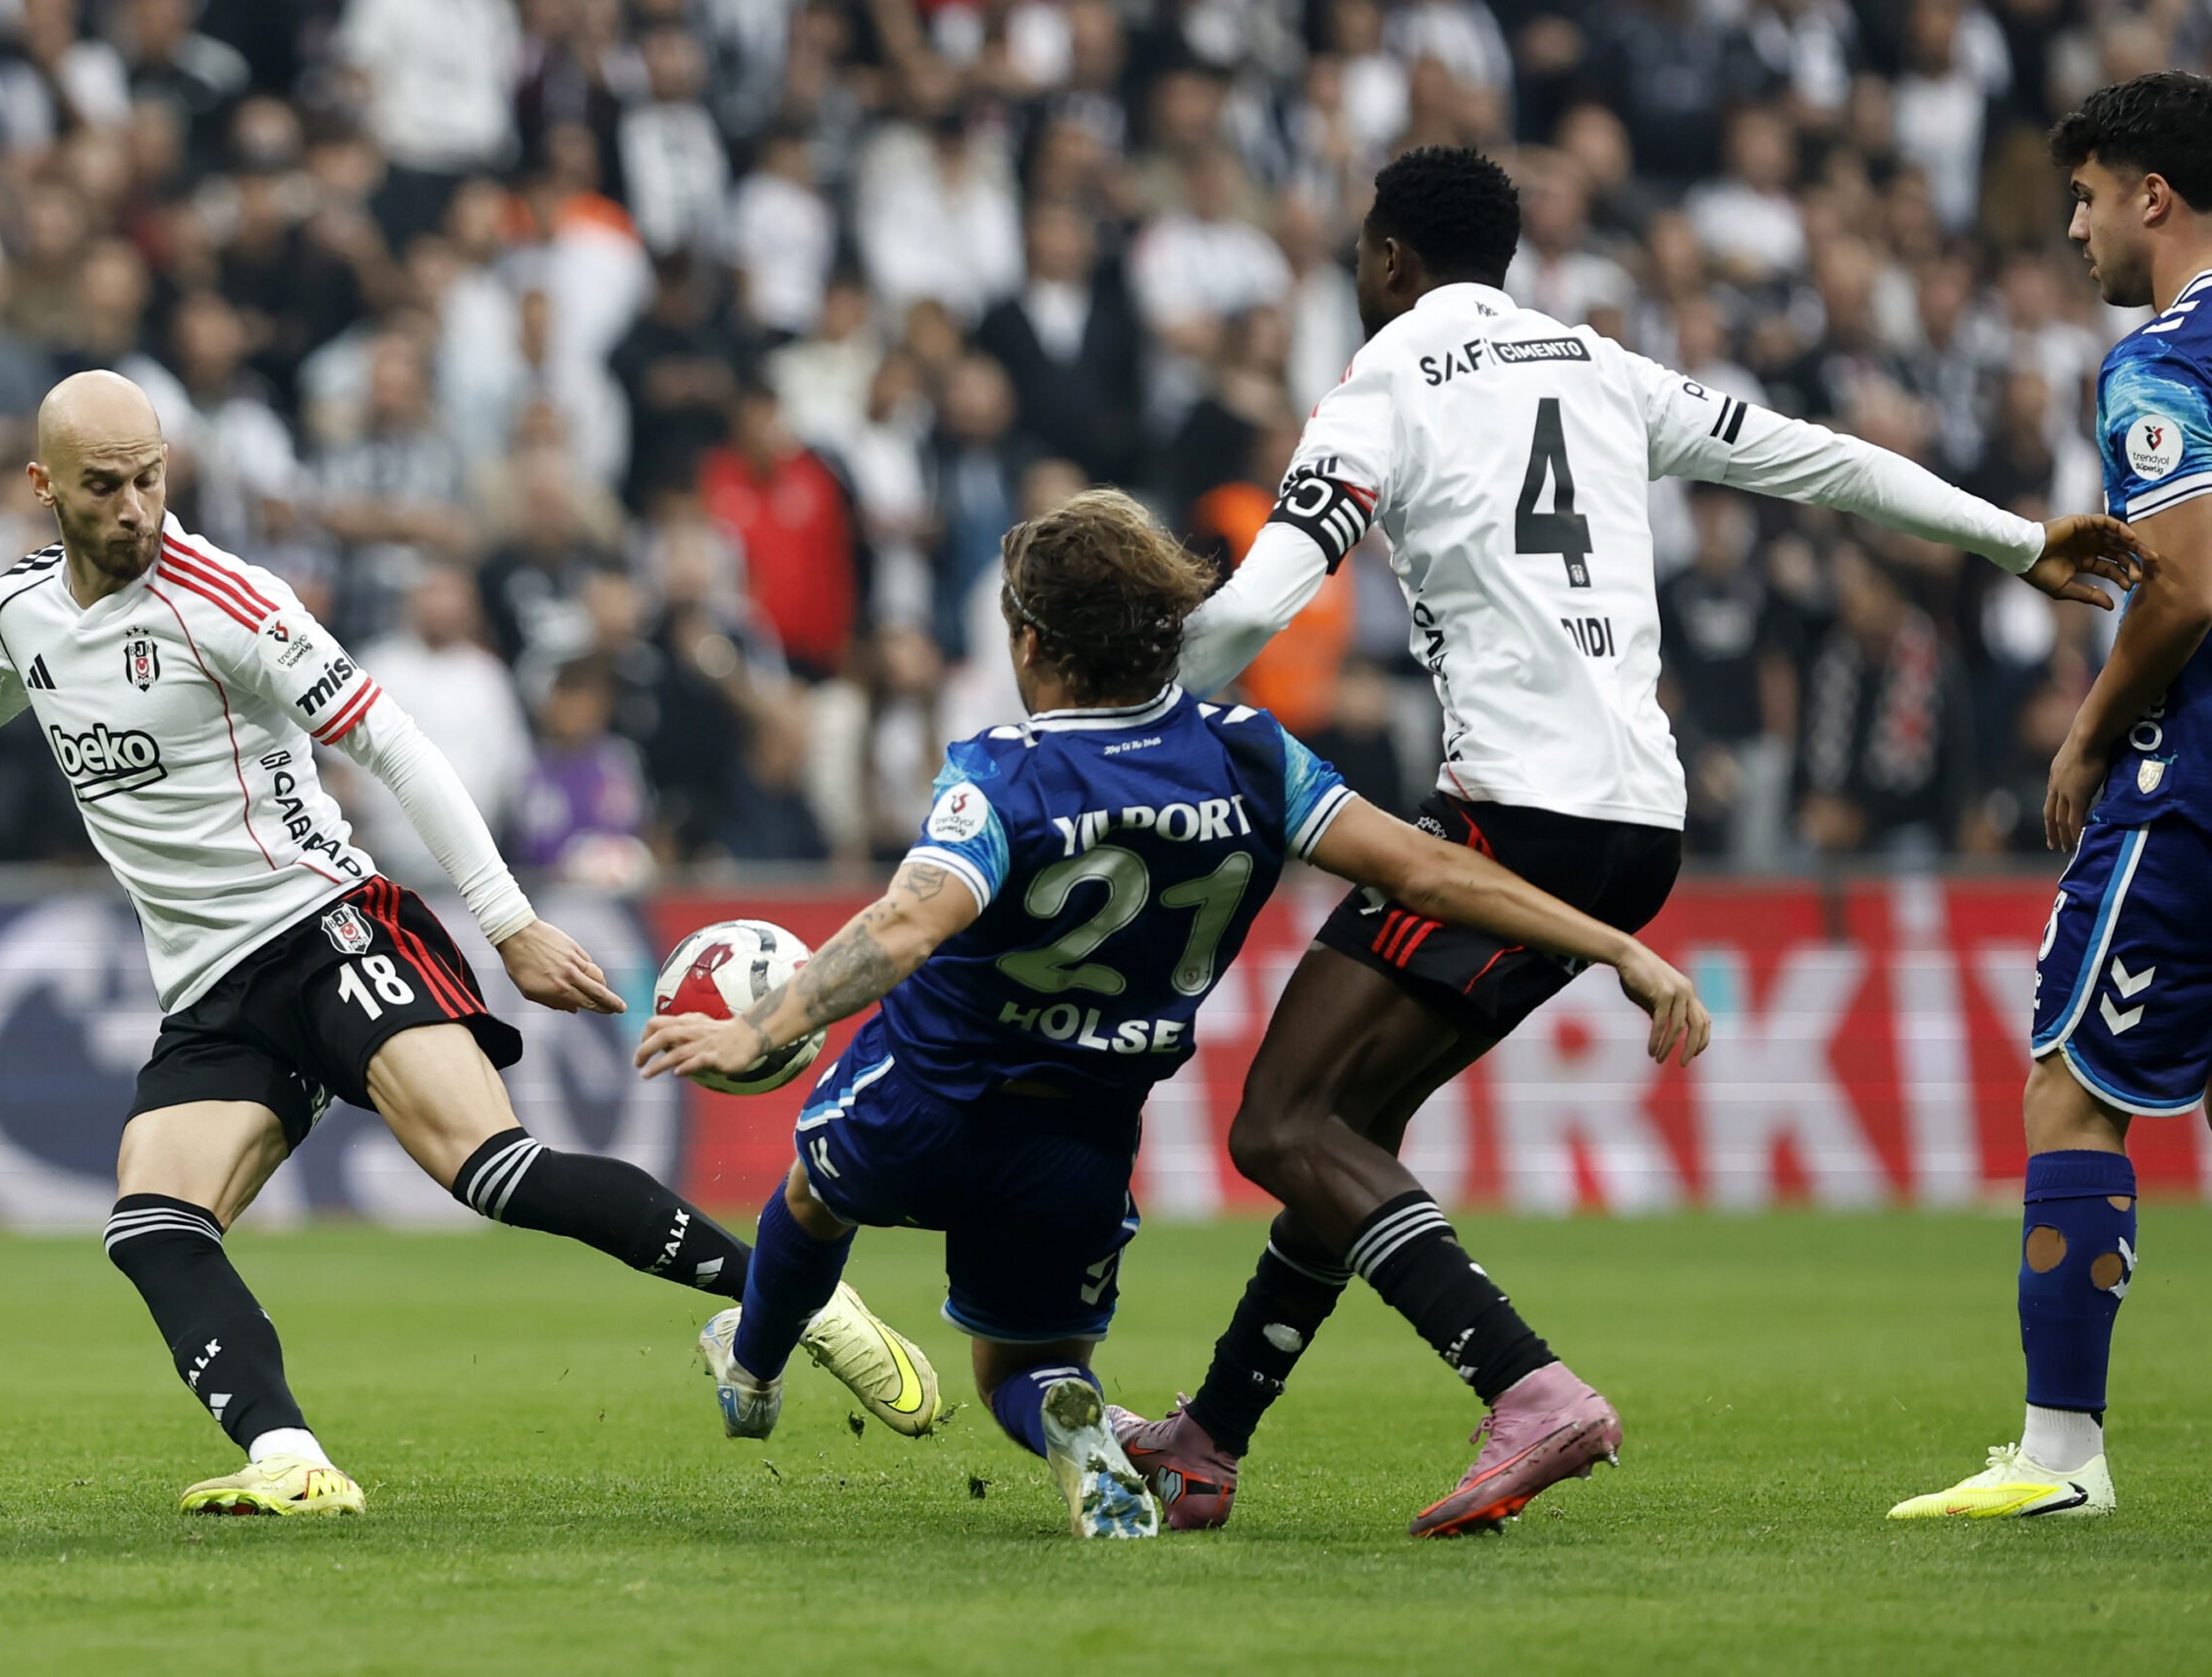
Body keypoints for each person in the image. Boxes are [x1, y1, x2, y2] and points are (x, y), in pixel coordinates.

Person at [1108, 145, 2146, 1537]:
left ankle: (1525, 1383)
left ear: (1393, 260)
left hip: (1510, 814)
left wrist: (1133, 698)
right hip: (1640, 821)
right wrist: (2021, 542)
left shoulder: (1387, 378)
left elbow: (1256, 610)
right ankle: (1209, 1438)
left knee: (1282, 1119)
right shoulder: (1600, 365)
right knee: (1344, 1134)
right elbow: (1816, 459)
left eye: (1364, 254)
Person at [0, 371, 938, 1519]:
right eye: (102, 487)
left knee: (495, 1172)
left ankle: (791, 1301)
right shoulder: (24, 605)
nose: (133, 507)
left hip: (324, 929)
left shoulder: (225, 601)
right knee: (151, 1227)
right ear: (42, 486)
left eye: (149, 478)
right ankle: (289, 1457)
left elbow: (395, 743)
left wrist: (511, 922)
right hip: (210, 990)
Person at [633, 489, 1714, 1538]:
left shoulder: (1000, 775)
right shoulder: (1250, 754)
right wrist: (1612, 942)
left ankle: (755, 1374)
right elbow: (1426, 872)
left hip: (930, 1093)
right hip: (1084, 1134)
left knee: (814, 1196)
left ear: (1028, 645)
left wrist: (757, 1027)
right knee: (1023, 1365)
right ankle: (1075, 1431)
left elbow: (908, 926)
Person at [1891, 72, 2212, 1522]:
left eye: (2085, 196)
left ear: (2153, 195)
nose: (2073, 227)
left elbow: (2187, 585)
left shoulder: (2163, 359)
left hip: (2190, 785)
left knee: (2074, 1092)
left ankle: (2060, 1455)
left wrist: (2089, 735)